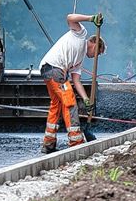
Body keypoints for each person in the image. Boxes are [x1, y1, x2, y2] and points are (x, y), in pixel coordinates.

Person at [39, 12, 106, 154]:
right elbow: (70, 17)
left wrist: (87, 100)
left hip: (50, 70)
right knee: (70, 103)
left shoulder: (79, 60)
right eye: (97, 52)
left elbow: (76, 80)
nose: (95, 57)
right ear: (94, 43)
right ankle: (76, 142)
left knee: (56, 106)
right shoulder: (81, 34)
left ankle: (48, 143)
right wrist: (91, 19)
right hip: (54, 68)